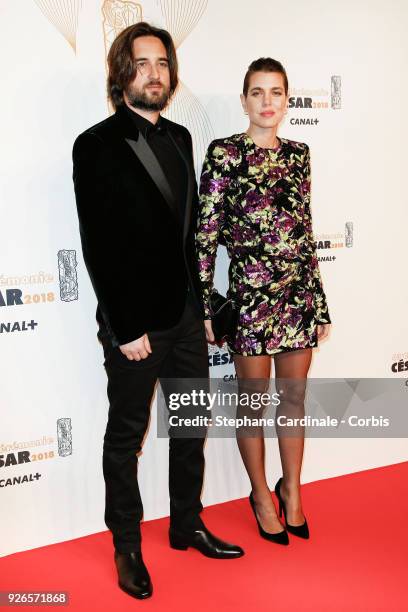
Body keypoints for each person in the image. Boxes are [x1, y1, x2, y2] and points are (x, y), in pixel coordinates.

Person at [72, 22, 243, 601]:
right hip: (136, 329)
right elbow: (98, 244)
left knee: (191, 428)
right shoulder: (94, 144)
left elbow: (189, 234)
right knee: (127, 435)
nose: (154, 73)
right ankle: (126, 543)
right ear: (122, 73)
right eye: (141, 63)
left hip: (186, 319)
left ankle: (186, 522)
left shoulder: (180, 139)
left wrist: (203, 309)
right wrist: (125, 327)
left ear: (172, 74)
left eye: (162, 64)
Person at [196, 58, 331, 546]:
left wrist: (318, 304)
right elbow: (205, 236)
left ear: (287, 100)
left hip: (297, 295)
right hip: (250, 299)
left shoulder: (300, 155)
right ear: (244, 100)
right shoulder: (224, 155)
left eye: (276, 93)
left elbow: (305, 231)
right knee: (253, 407)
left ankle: (291, 490)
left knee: (293, 402)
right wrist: (208, 306)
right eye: (258, 92)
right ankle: (258, 493)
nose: (268, 102)